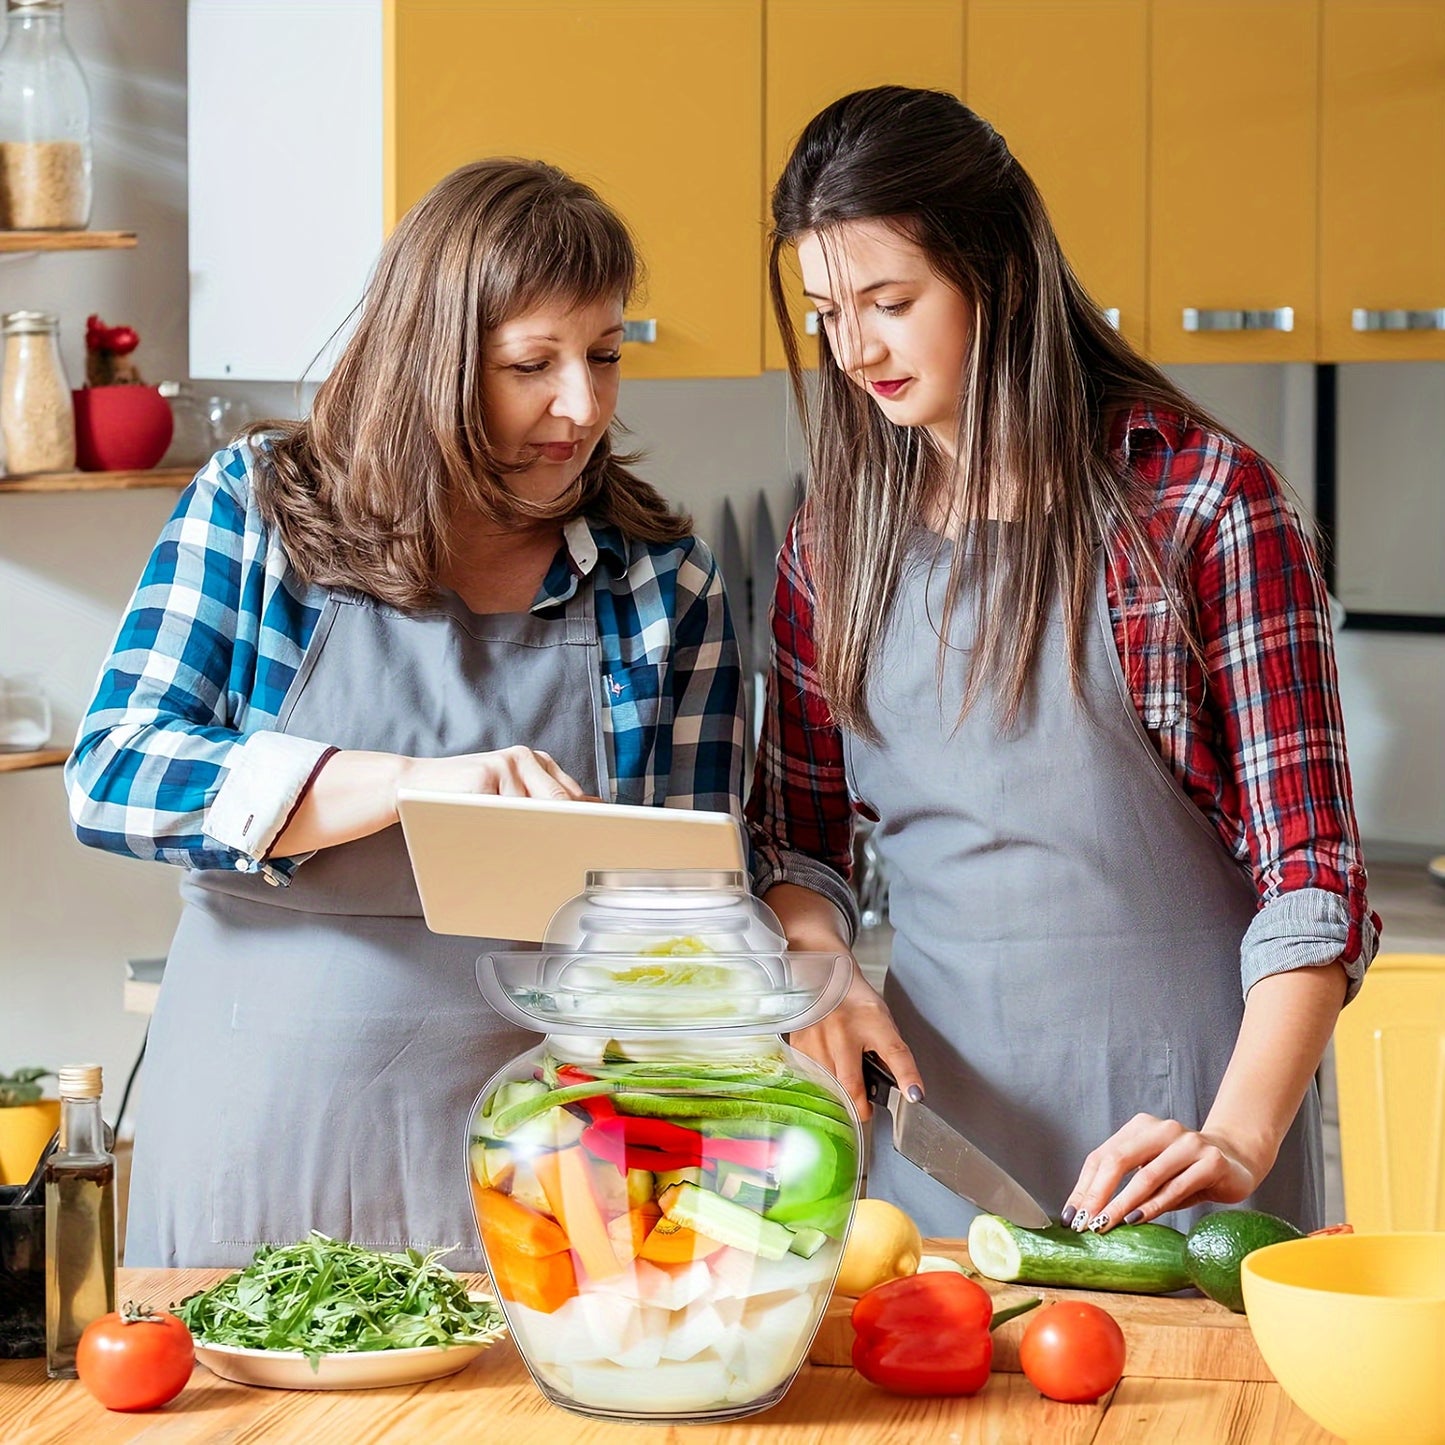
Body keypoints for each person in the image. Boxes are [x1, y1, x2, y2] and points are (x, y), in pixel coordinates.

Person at [66, 159, 745, 1268]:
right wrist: (408, 783)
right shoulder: (259, 511)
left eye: (607, 355)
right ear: (433, 360)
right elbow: (113, 771)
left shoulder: (660, 585)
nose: (580, 405)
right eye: (532, 364)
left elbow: (686, 912)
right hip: (256, 1129)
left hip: (543, 1171)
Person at [747, 86, 1377, 1238]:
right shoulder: (829, 547)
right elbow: (795, 837)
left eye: (889, 302)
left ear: (999, 274)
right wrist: (819, 963)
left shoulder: (1202, 505)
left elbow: (1314, 875)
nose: (854, 351)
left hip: (1181, 1143)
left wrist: (1235, 1134)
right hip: (938, 1160)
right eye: (827, 311)